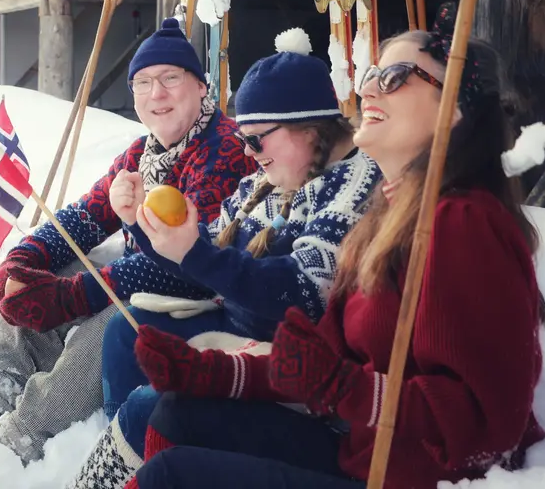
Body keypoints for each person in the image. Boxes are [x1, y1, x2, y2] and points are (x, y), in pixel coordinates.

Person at [123, 8, 545, 489]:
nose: (368, 90)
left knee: (170, 477)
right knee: (179, 410)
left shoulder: (463, 222)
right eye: (371, 75)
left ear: (453, 110)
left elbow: (487, 426)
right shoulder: (391, 214)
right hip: (362, 454)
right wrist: (213, 374)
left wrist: (346, 388)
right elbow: (320, 361)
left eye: (395, 77)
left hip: (417, 479)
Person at [0, 18, 251, 472]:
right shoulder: (141, 153)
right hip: (150, 284)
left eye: (170, 78)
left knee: (109, 318)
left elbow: (183, 266)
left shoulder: (224, 149)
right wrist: (22, 261)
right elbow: (84, 218)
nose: (156, 93)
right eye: (143, 82)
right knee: (44, 276)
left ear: (201, 86)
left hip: (203, 301)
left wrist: (73, 296)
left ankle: (21, 437)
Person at [67, 30, 380, 489]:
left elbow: (304, 292)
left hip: (293, 362)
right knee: (126, 331)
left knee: (148, 402)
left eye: (257, 139)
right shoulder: (269, 182)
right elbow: (204, 260)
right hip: (242, 322)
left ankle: (129, 460)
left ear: (310, 128)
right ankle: (124, 456)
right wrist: (144, 227)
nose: (249, 153)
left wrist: (194, 253)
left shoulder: (353, 185)